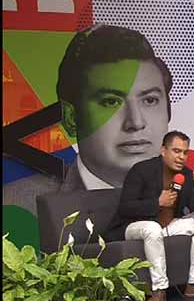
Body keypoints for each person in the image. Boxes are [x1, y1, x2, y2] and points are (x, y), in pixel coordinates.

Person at [3, 24, 171, 216]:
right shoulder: (17, 205)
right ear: (72, 118)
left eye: (150, 100)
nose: (136, 122)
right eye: (111, 102)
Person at [104, 131, 194, 301]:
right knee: (152, 228)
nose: (181, 157)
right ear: (163, 150)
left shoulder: (185, 174)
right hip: (132, 226)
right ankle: (159, 290)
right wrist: (157, 203)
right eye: (176, 151)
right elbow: (125, 207)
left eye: (185, 153)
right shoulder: (141, 170)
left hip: (166, 226)